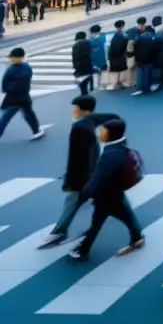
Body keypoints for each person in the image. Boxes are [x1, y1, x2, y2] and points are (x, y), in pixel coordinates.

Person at [39, 95, 120, 247]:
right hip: (98, 173)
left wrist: (78, 178)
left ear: (85, 111)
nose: (72, 112)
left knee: (73, 201)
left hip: (89, 175)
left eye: (75, 109)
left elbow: (82, 158)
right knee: (119, 204)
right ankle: (135, 233)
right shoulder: (90, 123)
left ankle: (60, 231)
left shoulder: (83, 128)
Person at [67, 118, 145, 261]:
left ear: (110, 133)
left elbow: (98, 178)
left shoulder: (110, 155)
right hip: (115, 192)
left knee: (97, 222)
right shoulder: (122, 145)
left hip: (106, 194)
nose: (99, 133)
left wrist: (84, 194)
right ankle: (137, 237)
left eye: (102, 131)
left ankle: (83, 250)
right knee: (123, 214)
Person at [0, 47, 44, 140]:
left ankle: (36, 131)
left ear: (20, 58)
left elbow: (9, 83)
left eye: (13, 57)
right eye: (10, 57)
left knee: (7, 117)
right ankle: (36, 131)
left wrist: (6, 89)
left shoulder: (16, 69)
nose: (11, 59)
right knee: (28, 114)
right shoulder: (23, 68)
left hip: (16, 98)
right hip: (21, 97)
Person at [72, 31, 93, 96]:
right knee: (88, 76)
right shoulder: (88, 42)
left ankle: (84, 93)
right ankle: (90, 88)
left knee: (81, 79)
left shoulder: (76, 45)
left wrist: (74, 65)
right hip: (87, 63)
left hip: (79, 65)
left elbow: (74, 56)